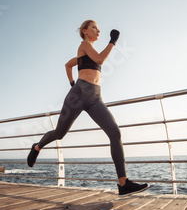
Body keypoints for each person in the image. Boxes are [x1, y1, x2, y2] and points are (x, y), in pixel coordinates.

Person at [27, 20, 150, 196]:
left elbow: (69, 65)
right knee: (59, 133)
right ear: (85, 31)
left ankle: (123, 184)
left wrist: (71, 80)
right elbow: (99, 59)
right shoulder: (84, 45)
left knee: (115, 132)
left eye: (98, 28)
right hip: (78, 95)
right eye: (94, 27)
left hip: (95, 98)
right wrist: (113, 40)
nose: (98, 30)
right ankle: (37, 147)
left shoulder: (87, 54)